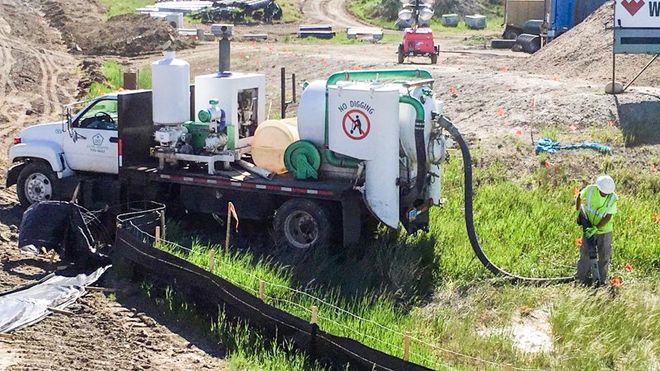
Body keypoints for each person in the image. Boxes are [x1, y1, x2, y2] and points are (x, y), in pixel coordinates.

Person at [575, 175, 618, 286]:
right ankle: (581, 279)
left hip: (604, 231)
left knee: (603, 255)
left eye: (606, 193)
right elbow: (579, 196)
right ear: (598, 188)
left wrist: (596, 228)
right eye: (603, 192)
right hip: (588, 227)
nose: (605, 194)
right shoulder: (590, 190)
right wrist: (578, 213)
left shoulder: (613, 198)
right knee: (585, 253)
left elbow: (608, 217)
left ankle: (600, 280)